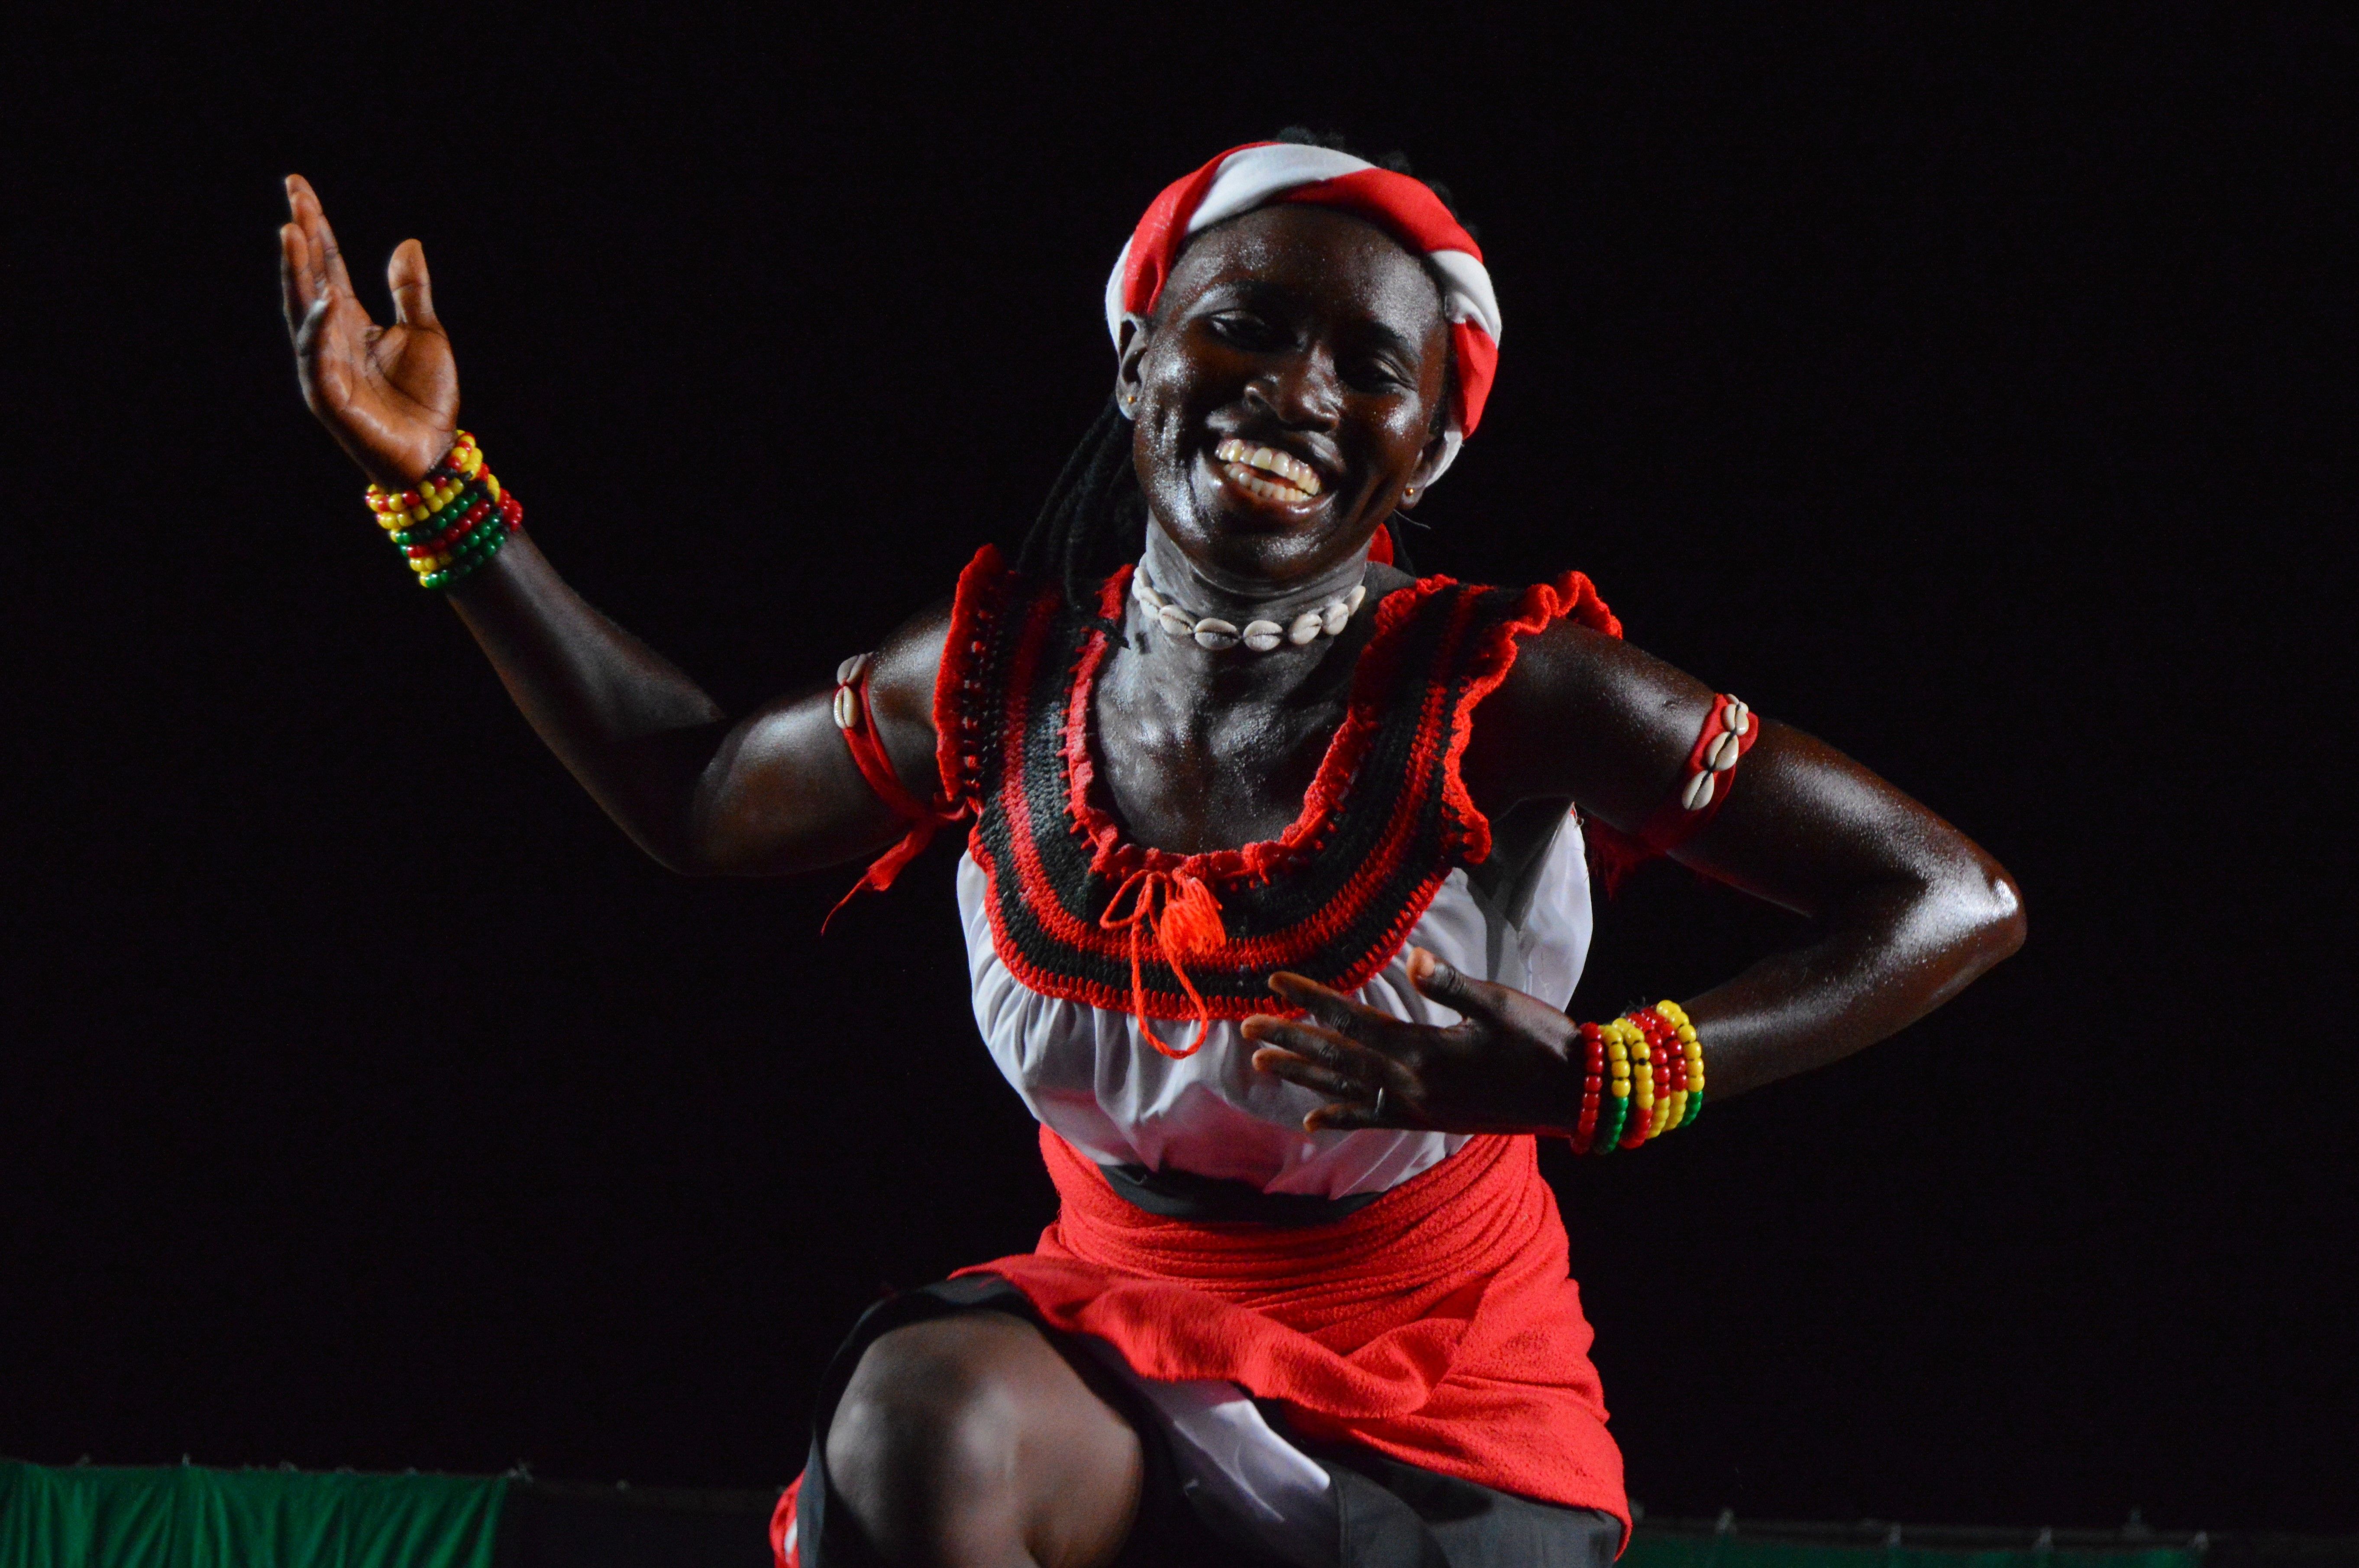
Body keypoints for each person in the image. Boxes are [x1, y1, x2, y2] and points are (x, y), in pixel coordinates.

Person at [279, 134, 2024, 1568]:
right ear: (1140, 356)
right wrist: (450, 503)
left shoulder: (1511, 688)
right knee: (919, 1421)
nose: (1297, 394)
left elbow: (1952, 899)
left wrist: (1610, 1076)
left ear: (1433, 440)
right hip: (1112, 1334)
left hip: (1440, 1373)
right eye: (1249, 329)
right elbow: (698, 795)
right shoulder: (1000, 688)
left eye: (1369, 370)